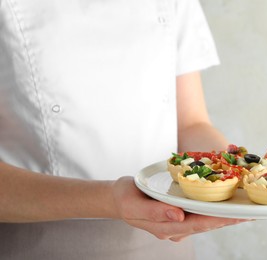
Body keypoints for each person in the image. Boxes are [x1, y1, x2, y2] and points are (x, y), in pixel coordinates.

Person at [0, 0, 247, 259]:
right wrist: (110, 200)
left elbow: (191, 124)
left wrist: (236, 169)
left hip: (168, 240)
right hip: (40, 243)